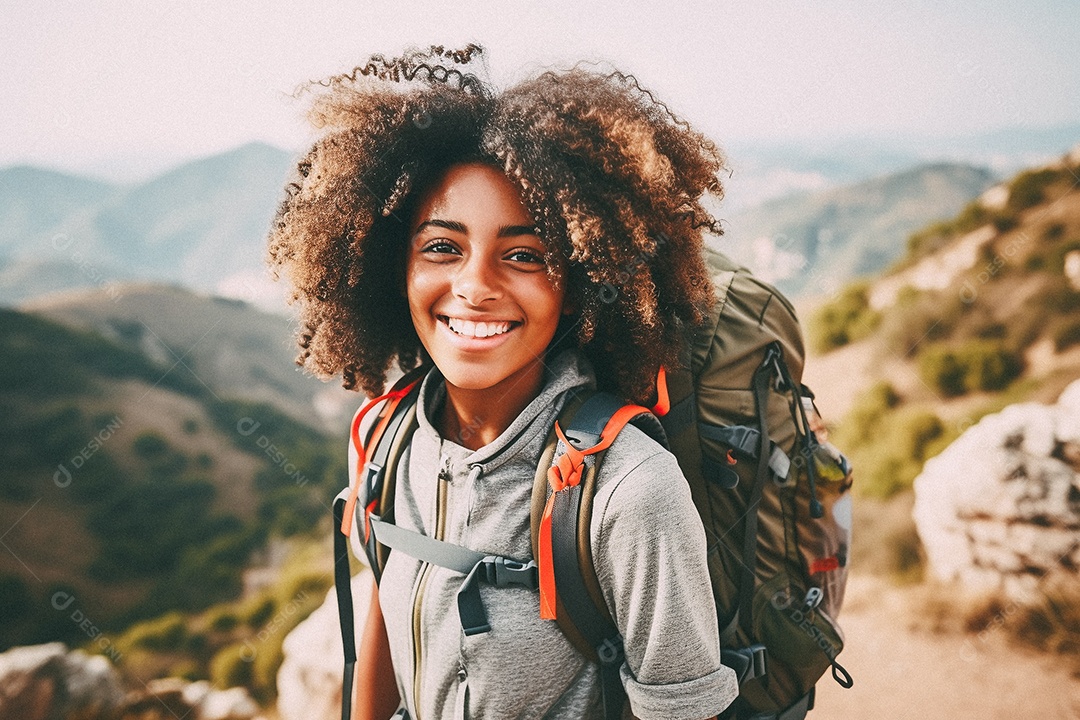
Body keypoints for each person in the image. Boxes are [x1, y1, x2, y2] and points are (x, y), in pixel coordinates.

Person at [268, 44, 738, 720]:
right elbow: (384, 611)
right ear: (389, 266)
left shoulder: (629, 489)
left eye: (524, 255)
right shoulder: (383, 437)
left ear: (577, 286)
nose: (476, 287)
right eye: (441, 247)